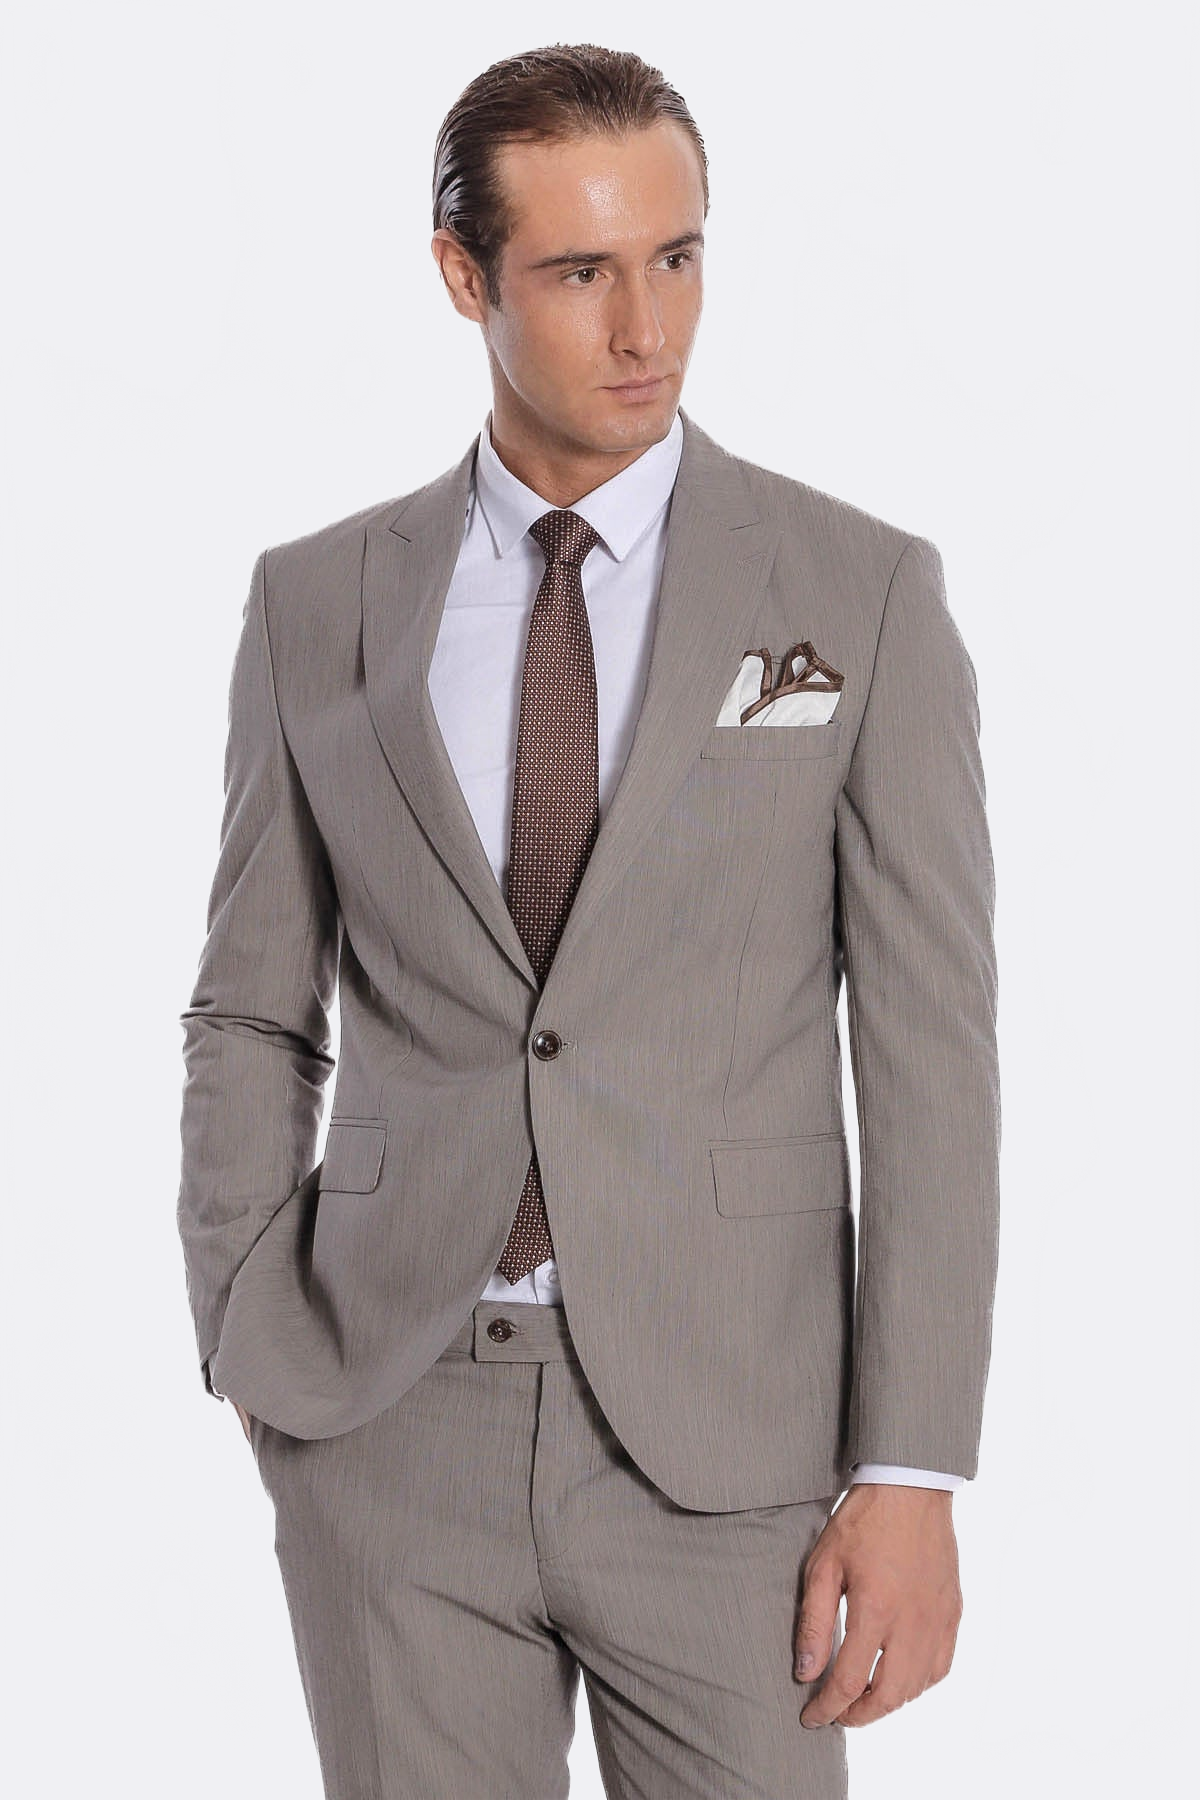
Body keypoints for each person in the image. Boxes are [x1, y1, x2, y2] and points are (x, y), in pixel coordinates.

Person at [176, 41, 1000, 1800]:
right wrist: (248, 1330)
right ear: (463, 276)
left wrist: (914, 1468)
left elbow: (929, 1047)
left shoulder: (857, 591)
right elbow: (251, 1006)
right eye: (579, 272)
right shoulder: (317, 603)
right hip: (390, 1419)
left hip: (732, 1443)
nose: (648, 330)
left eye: (678, 258)